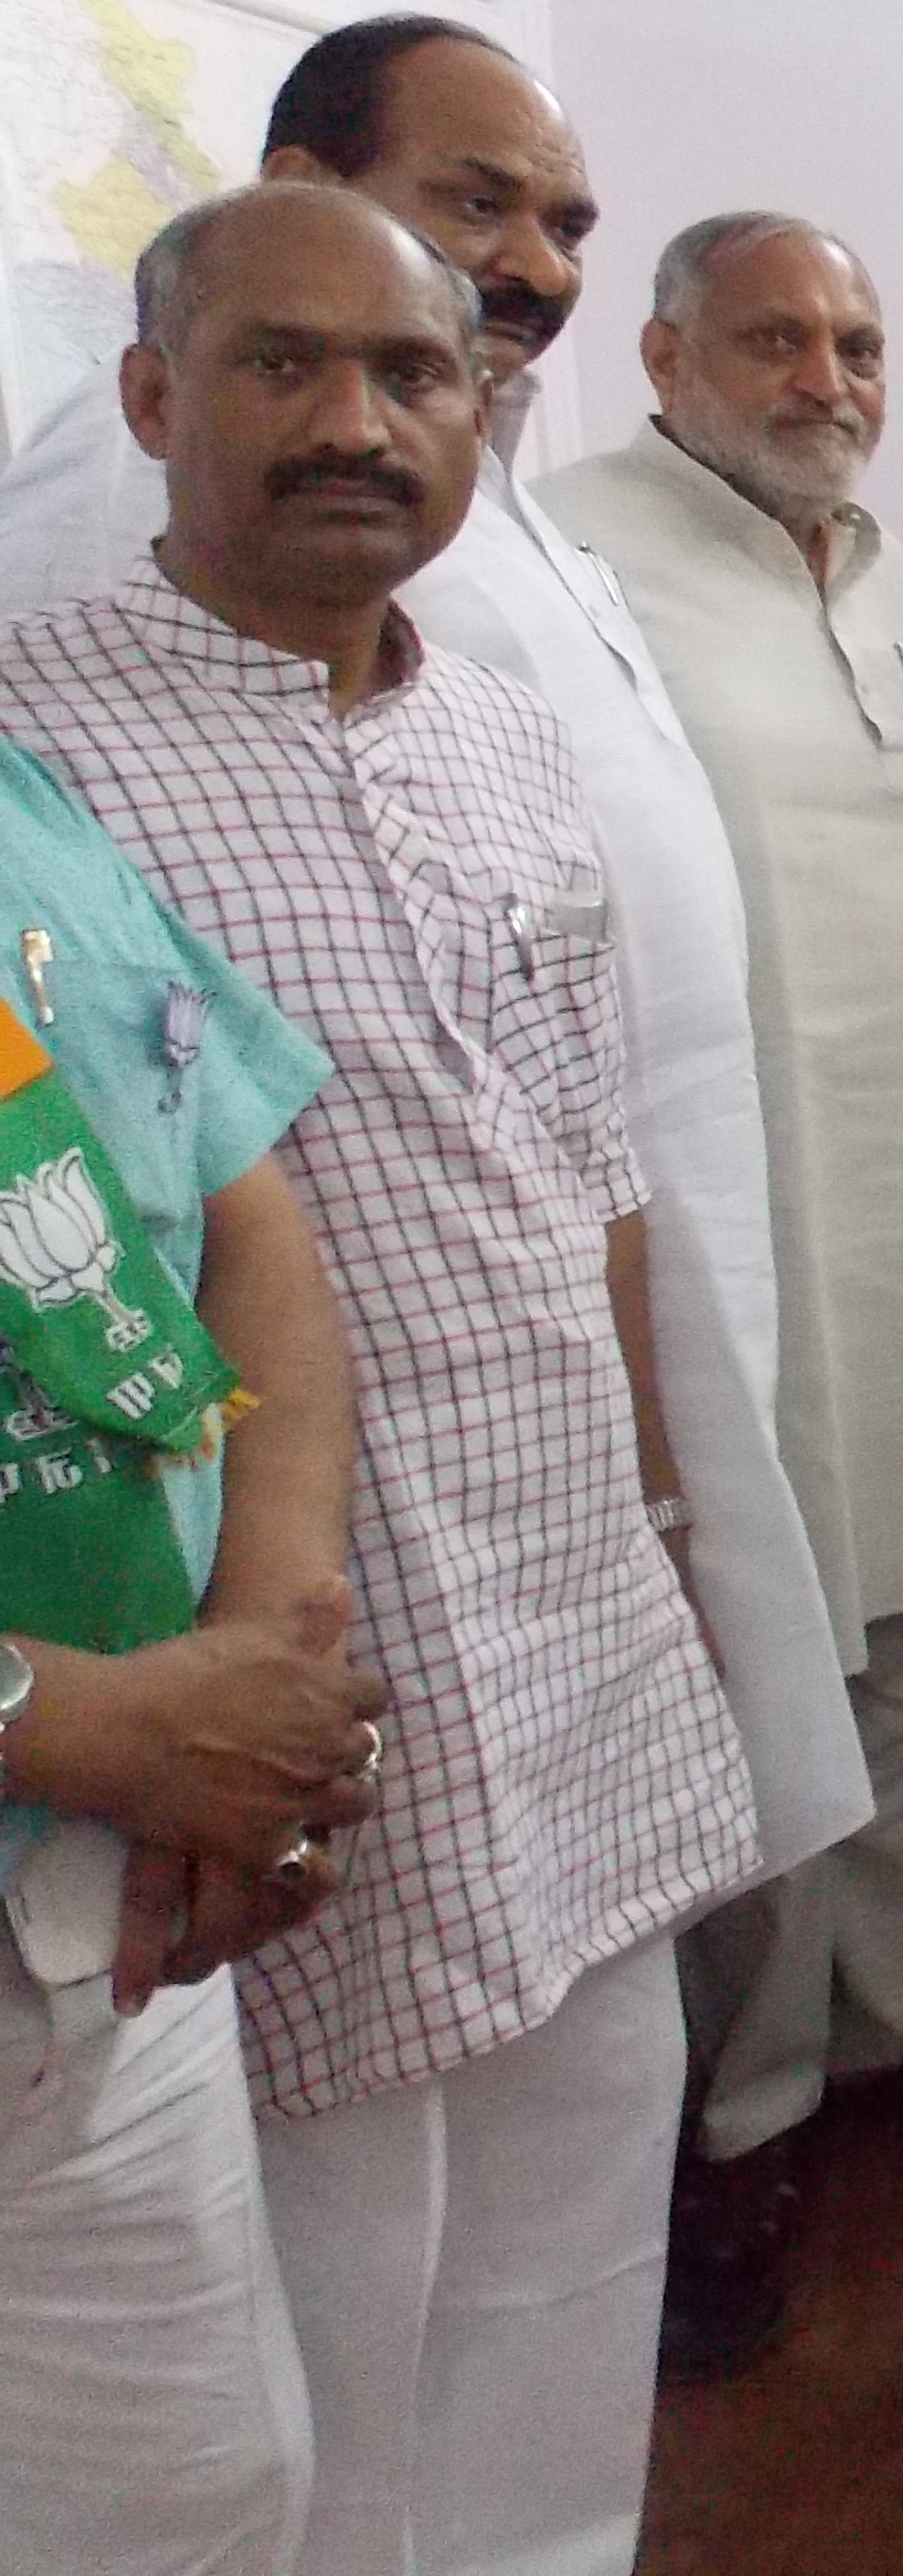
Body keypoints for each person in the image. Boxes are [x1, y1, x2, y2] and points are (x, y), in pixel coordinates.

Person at [0, 182, 762, 2571]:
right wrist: (244, 1665)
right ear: (150, 398)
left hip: (573, 1614)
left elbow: (596, 1155)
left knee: (573, 2243)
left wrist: (659, 1519)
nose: (358, 422)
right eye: (280, 365)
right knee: (327, 2318)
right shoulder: (50, 743)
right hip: (282, 1669)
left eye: (412, 374)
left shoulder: (507, 726)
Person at [547, 213, 903, 2332]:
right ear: (668, 349)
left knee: (899, 1638)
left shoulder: (885, 578)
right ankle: (742, 2114)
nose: (826, 376)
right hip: (729, 1212)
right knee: (749, 1638)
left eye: (857, 340)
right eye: (776, 337)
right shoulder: (576, 562)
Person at [0, 741, 381, 2576]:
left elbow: (253, 1244)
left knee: (210, 2512)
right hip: (98, 1797)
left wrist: (257, 1670)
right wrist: (71, 1724)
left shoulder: (29, 804)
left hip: (107, 1929)